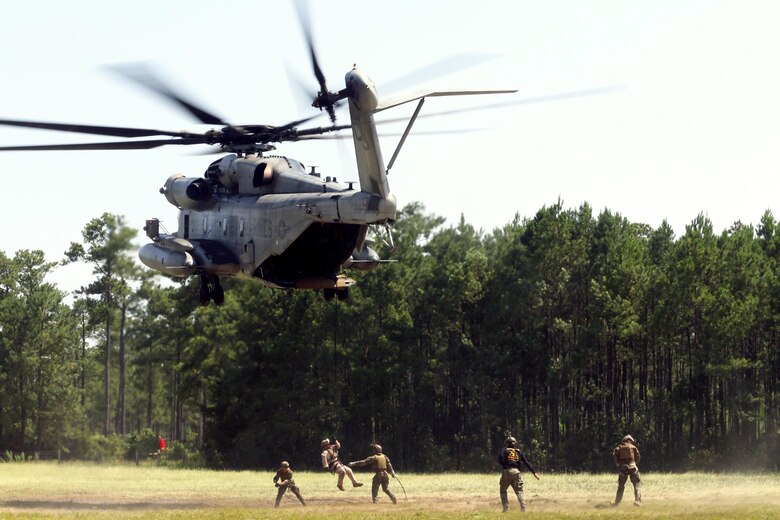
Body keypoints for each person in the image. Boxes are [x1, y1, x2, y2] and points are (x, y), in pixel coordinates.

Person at [497, 436, 540, 512]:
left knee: (503, 491)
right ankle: (523, 509)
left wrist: (506, 466)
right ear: (515, 444)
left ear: (507, 443)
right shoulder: (519, 452)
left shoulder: (505, 451)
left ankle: (505, 509)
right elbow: (527, 462)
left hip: (507, 471)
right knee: (519, 491)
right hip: (517, 472)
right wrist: (534, 472)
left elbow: (500, 460)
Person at [612, 434, 641, 506]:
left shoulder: (619, 447)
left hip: (623, 467)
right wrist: (634, 463)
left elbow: (614, 455)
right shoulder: (633, 447)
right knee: (636, 484)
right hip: (632, 467)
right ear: (630, 440)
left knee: (621, 485)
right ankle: (637, 501)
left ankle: (616, 503)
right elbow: (638, 457)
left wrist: (618, 464)